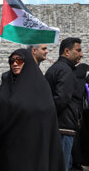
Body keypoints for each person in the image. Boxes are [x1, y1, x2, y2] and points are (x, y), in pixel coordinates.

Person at [0, 49, 65, 171]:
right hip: (7, 147)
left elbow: (46, 116)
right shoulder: (7, 83)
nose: (15, 64)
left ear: (28, 62)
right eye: (11, 61)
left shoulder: (41, 85)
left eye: (19, 60)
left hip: (33, 147)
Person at [45, 37, 83, 171]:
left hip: (59, 125)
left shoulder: (56, 68)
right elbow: (61, 99)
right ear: (67, 51)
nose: (81, 54)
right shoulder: (65, 70)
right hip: (63, 127)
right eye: (78, 50)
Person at [72, 63, 89, 170]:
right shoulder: (85, 82)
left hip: (72, 114)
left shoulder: (72, 80)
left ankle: (77, 161)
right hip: (84, 114)